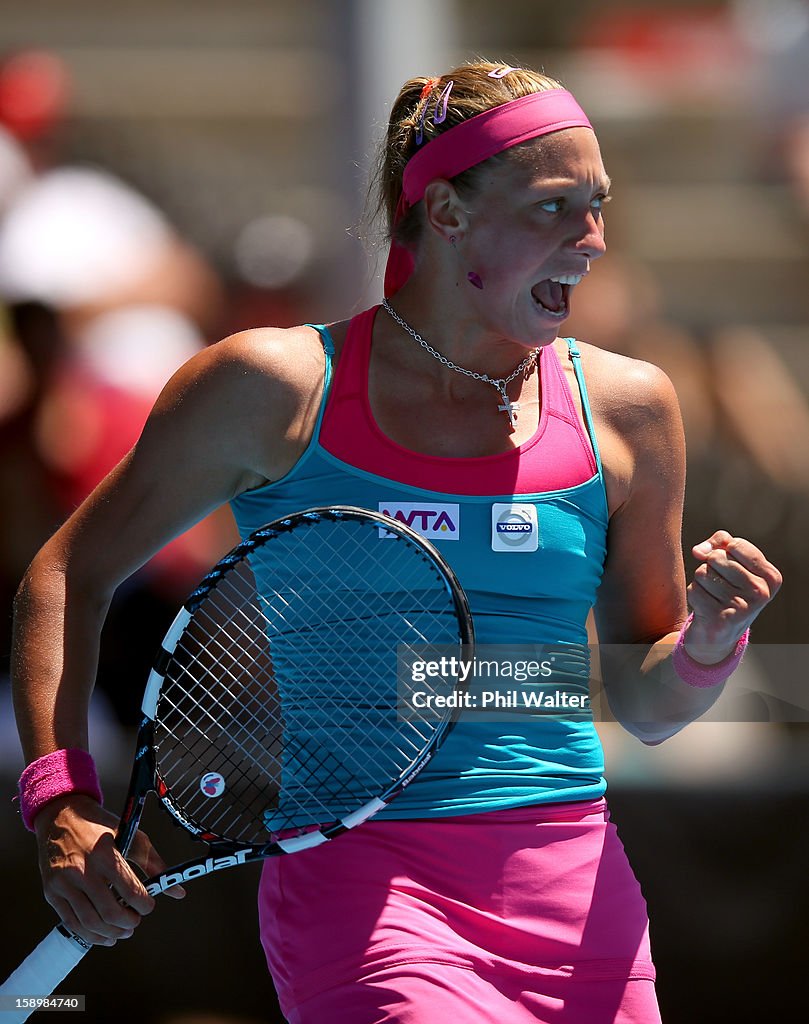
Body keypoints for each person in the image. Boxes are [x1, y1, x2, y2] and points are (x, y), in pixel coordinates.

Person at [11, 61, 781, 1023]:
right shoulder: (271, 388)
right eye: (553, 208)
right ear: (447, 212)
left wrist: (707, 646)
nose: (591, 243)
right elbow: (67, 574)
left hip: (581, 902)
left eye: (598, 206)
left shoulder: (630, 407)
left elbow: (645, 700)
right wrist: (58, 798)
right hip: (369, 901)